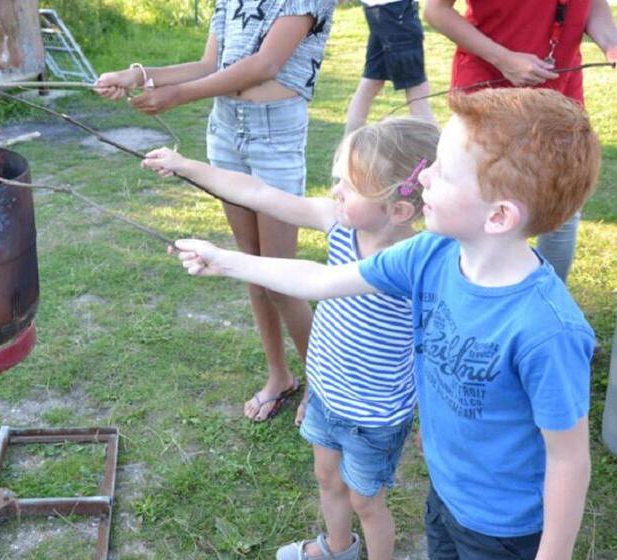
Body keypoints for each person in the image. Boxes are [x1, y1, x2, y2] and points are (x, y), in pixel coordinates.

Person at [171, 88, 599, 559]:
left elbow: (568, 458)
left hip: (505, 526)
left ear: (498, 216)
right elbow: (322, 279)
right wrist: (227, 262)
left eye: (442, 171)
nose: (423, 179)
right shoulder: (430, 255)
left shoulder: (548, 330)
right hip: (445, 497)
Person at [142, 117, 439, 560]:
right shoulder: (340, 223)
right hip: (326, 392)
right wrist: (188, 166)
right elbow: (261, 194)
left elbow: (314, 280)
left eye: (350, 186)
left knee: (366, 501)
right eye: (338, 179)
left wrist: (226, 261)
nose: (336, 191)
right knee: (326, 477)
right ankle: (337, 548)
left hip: (372, 414)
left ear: (398, 210)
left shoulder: (406, 263)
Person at [95, 0, 338, 421]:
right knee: (248, 266)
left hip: (274, 133)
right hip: (225, 130)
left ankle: (323, 382)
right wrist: (138, 75)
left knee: (279, 276)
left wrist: (177, 96)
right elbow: (210, 63)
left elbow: (266, 64)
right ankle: (279, 377)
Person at [423, 0, 617, 283]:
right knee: (470, 207)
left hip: (558, 95)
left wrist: (612, 44)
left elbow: (594, 6)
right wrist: (503, 59)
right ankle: (457, 294)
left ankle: (546, 297)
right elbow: (435, 10)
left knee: (561, 208)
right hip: (487, 90)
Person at [345, 0, 436, 135]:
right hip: (396, 11)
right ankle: (435, 150)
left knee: (372, 82)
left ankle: (348, 148)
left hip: (385, 10)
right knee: (417, 89)